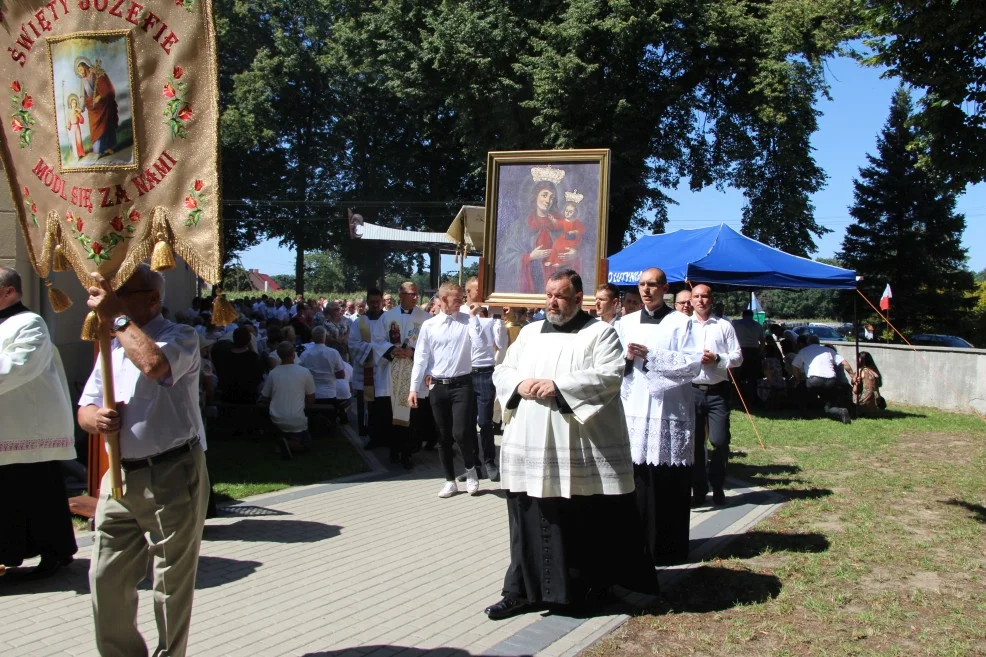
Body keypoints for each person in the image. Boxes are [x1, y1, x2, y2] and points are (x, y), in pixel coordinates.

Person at [483, 269, 658, 620]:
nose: (552, 301)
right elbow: (502, 370)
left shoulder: (601, 334)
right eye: (549, 294)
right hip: (529, 445)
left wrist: (559, 387)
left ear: (579, 299)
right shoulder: (530, 333)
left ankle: (582, 591)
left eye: (560, 295)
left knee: (578, 520)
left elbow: (609, 376)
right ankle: (520, 591)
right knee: (527, 518)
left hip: (575, 447)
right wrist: (518, 384)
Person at [78, 264, 209, 657]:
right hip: (118, 478)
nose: (114, 298)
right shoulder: (112, 345)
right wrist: (94, 419)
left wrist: (115, 315)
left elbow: (155, 366)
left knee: (170, 585)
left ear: (152, 298)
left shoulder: (180, 336)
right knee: (106, 578)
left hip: (171, 472)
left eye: (124, 293)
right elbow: (85, 406)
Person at [616, 268, 703, 565]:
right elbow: (613, 363)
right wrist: (627, 359)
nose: (646, 290)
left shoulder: (682, 323)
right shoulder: (625, 323)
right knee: (638, 479)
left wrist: (651, 356)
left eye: (652, 285)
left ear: (664, 288)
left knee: (667, 480)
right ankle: (635, 546)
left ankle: (669, 547)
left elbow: (693, 365)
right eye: (641, 285)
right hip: (635, 409)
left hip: (670, 410)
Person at [0, 266, 78, 579]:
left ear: (8, 292)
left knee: (39, 495)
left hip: (28, 429)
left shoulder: (30, 323)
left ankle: (56, 552)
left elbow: (18, 366)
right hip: (8, 425)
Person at [409, 282, 482, 496]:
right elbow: (421, 357)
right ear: (441, 300)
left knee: (460, 432)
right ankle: (449, 479)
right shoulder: (430, 326)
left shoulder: (467, 320)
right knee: (442, 436)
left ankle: (471, 470)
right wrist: (413, 388)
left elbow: (478, 345)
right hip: (439, 385)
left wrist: (475, 318)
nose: (460, 301)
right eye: (456, 298)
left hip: (462, 384)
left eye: (461, 297)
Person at [689, 284, 742, 507]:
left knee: (719, 441)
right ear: (691, 300)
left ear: (711, 299)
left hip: (717, 391)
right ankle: (699, 490)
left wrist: (718, 359)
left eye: (705, 296)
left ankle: (718, 484)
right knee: (694, 444)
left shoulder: (724, 326)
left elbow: (738, 357)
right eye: (696, 296)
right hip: (691, 391)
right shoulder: (683, 326)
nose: (700, 300)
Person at [374, 282, 431, 468]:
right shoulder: (387, 317)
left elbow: (431, 345)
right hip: (392, 372)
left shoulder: (426, 318)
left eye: (416, 294)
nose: (415, 297)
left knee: (412, 416)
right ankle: (394, 450)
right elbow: (377, 340)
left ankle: (408, 452)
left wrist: (412, 352)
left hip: (414, 372)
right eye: (411, 294)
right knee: (391, 413)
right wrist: (391, 350)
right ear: (401, 295)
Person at [460, 277, 507, 482]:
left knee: (485, 421)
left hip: (486, 371)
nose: (479, 294)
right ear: (467, 292)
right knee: (467, 423)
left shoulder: (492, 312)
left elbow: (502, 343)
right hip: (464, 372)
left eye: (482, 290)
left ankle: (490, 461)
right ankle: (474, 467)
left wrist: (499, 321)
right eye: (475, 290)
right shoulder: (460, 313)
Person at [262, 341, 316, 454]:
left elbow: (265, 396)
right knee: (307, 445)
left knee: (287, 429)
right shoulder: (304, 372)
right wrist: (304, 409)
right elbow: (311, 397)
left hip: (276, 416)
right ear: (293, 354)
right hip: (297, 417)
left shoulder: (273, 373)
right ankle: (288, 443)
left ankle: (285, 440)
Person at [349, 291, 387, 442]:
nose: (375, 304)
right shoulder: (360, 322)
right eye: (372, 302)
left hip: (384, 370)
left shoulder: (388, 320)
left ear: (382, 302)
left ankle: (383, 436)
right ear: (367, 302)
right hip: (366, 370)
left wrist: (381, 349)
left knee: (383, 406)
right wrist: (377, 348)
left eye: (378, 301)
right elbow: (353, 345)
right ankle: (370, 435)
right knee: (367, 405)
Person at [791, 335, 852, 424]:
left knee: (800, 389)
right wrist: (853, 375)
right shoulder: (829, 350)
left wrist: (799, 379)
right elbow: (844, 363)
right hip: (831, 381)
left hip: (814, 381)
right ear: (819, 342)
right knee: (829, 407)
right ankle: (841, 411)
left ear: (807, 343)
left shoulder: (803, 351)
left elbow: (794, 366)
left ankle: (804, 413)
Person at [298, 326, 345, 433]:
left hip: (311, 394)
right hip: (329, 393)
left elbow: (301, 374)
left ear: (313, 338)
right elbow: (341, 374)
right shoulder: (333, 353)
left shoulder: (305, 354)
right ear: (325, 337)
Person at [76, 57, 118, 157]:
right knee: (95, 128)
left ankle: (109, 147)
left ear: (85, 67)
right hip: (92, 107)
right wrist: (80, 108)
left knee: (105, 125)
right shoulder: (83, 81)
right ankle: (100, 150)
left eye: (81, 70)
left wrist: (100, 96)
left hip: (102, 104)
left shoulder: (95, 73)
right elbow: (83, 95)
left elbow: (104, 86)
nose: (80, 72)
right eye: (78, 71)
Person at [213, 326, 267, 404]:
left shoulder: (225, 357)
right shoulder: (254, 358)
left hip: (228, 397)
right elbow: (258, 378)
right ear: (249, 340)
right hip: (248, 398)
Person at [732, 308, 765, 402]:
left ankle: (737, 397)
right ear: (752, 315)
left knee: (738, 376)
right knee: (753, 376)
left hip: (740, 350)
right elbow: (762, 341)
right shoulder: (757, 325)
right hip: (753, 351)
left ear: (743, 315)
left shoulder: (736, 324)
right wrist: (760, 352)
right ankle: (753, 397)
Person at [854, 351, 884, 416]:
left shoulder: (861, 371)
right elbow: (879, 384)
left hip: (864, 404)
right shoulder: (875, 372)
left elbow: (855, 391)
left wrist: (854, 382)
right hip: (875, 404)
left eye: (858, 358)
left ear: (861, 360)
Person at [66, 93, 87, 159]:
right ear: (70, 104)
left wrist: (79, 116)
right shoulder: (69, 112)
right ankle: (76, 155)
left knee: (79, 140)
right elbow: (68, 121)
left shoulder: (77, 111)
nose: (74, 104)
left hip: (77, 127)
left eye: (75, 103)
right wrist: (68, 126)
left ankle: (81, 153)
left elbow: (82, 121)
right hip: (72, 127)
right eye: (72, 103)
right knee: (74, 141)